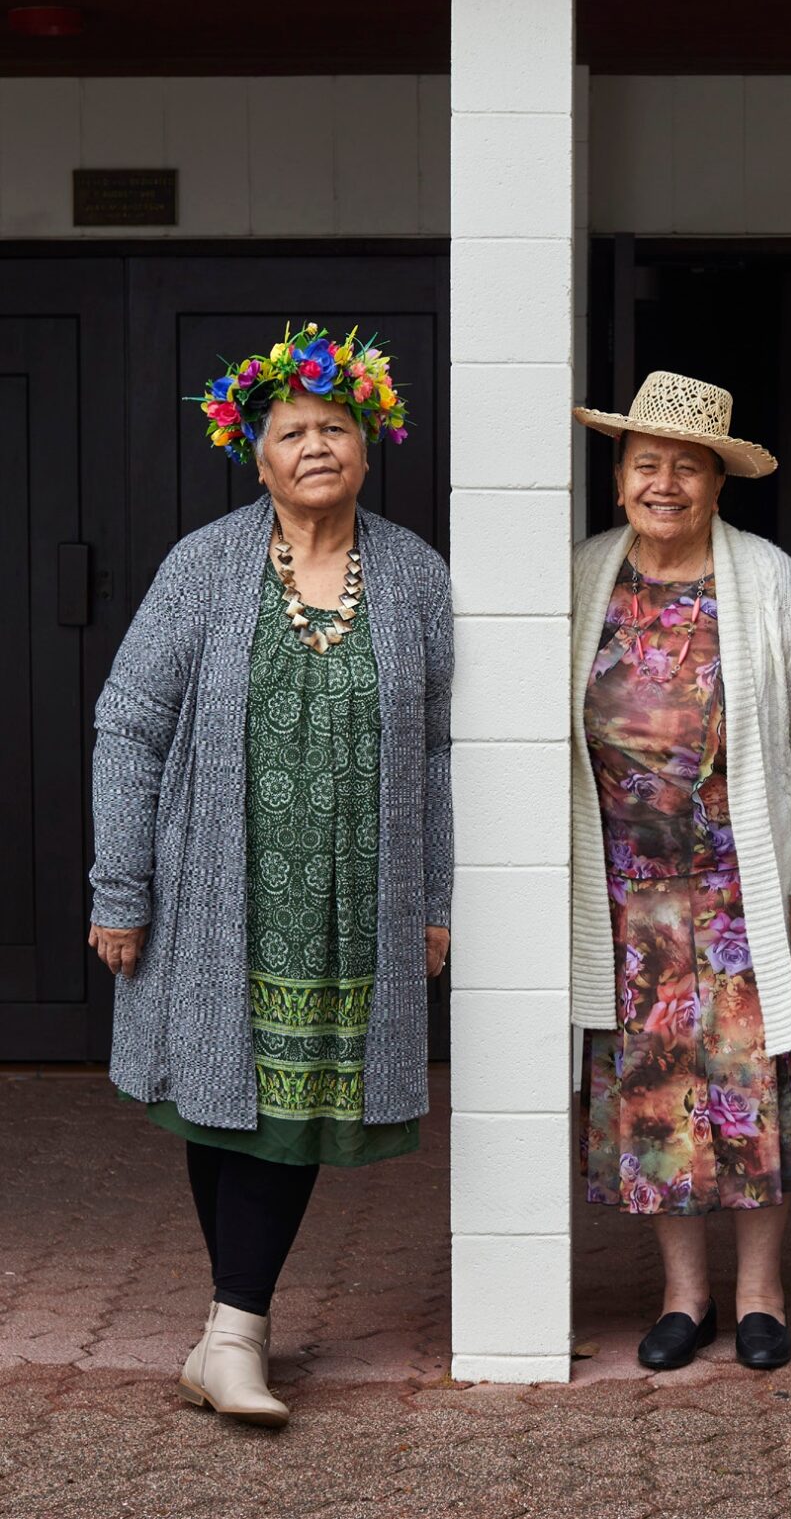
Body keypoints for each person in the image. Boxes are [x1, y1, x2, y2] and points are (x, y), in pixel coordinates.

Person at [88, 322, 452, 1427]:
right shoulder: (202, 566)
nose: (314, 446)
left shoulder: (416, 575)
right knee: (225, 1106)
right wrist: (121, 885)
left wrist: (435, 899)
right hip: (217, 892)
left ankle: (227, 1333)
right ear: (255, 454)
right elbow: (128, 723)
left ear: (368, 443)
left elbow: (442, 747)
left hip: (356, 900)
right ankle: (235, 1330)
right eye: (290, 430)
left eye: (334, 427)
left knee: (281, 1110)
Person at [571, 371, 791, 1371]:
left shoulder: (767, 577)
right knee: (655, 1095)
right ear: (616, 480)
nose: (663, 484)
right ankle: (683, 1296)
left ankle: (761, 1293)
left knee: (752, 1086)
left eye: (684, 468)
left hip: (745, 887)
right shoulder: (584, 577)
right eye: (645, 464)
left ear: (715, 483)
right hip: (624, 896)